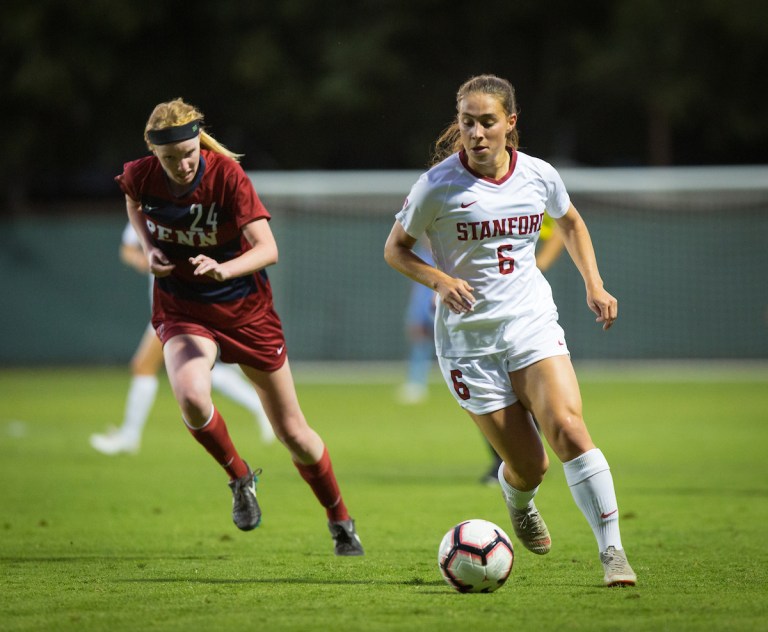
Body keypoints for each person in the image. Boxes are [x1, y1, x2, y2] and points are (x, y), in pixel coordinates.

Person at [384, 74, 635, 586]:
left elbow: (570, 223)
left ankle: (613, 554)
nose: (476, 133)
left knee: (568, 428)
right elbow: (395, 249)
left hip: (530, 325)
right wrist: (438, 279)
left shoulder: (538, 175)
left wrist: (594, 284)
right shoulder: (436, 185)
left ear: (510, 124)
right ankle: (517, 495)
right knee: (531, 466)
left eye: (487, 122)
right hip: (468, 344)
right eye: (467, 123)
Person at [116, 98, 363, 555]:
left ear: (198, 144)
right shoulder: (141, 175)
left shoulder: (227, 176)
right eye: (171, 158)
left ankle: (340, 519)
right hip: (184, 310)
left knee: (294, 434)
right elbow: (134, 201)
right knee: (191, 397)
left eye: (189, 153)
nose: (183, 164)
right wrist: (150, 248)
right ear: (155, 154)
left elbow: (267, 249)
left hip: (247, 313)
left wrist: (224, 270)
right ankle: (238, 477)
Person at [89, 223, 276, 456]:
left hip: (180, 308)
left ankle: (130, 436)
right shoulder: (147, 208)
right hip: (165, 308)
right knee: (199, 370)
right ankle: (258, 406)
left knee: (144, 366)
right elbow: (127, 248)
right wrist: (145, 259)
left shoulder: (188, 214)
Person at [479, 213, 563, 484]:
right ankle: (502, 461)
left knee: (527, 386)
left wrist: (537, 265)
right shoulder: (466, 192)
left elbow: (561, 226)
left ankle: (523, 458)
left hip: (522, 307)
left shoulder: (527, 188)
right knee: (488, 388)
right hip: (482, 306)